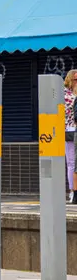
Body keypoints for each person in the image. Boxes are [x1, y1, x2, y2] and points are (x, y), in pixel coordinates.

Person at [64, 70, 77, 204]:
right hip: (70, 130)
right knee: (71, 163)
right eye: (75, 80)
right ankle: (72, 191)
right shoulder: (65, 94)